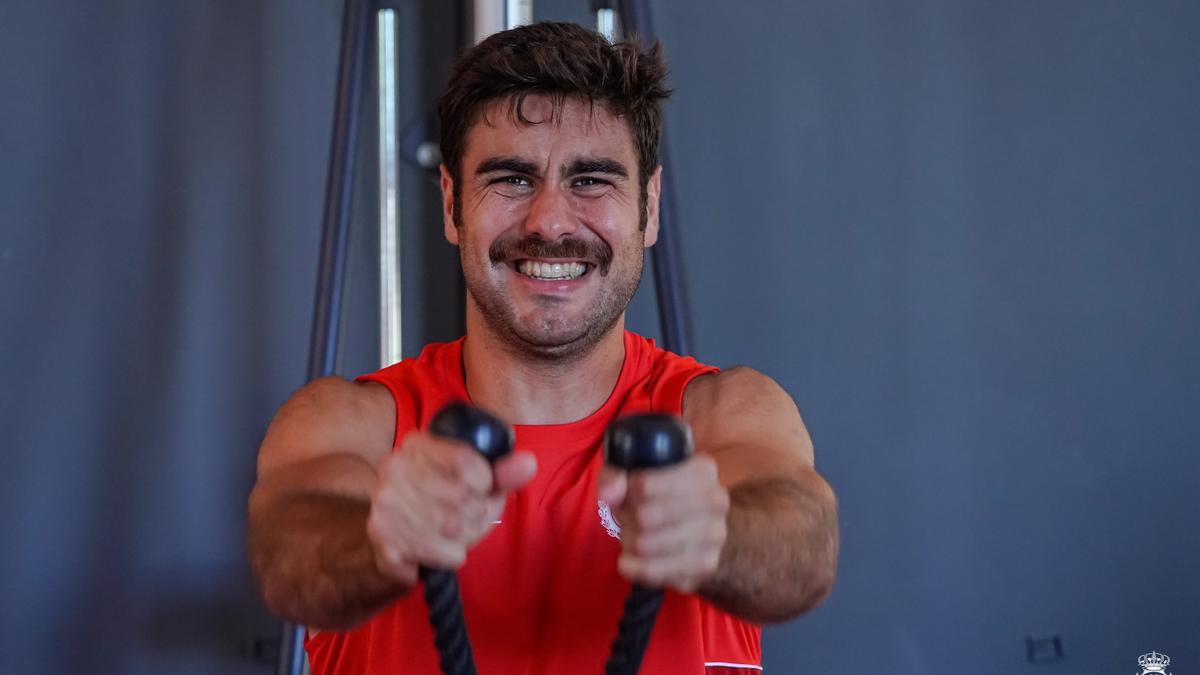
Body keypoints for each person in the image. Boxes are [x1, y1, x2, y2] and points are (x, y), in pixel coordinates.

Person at [247, 21, 838, 675]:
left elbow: (803, 544)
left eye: (591, 180)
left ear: (650, 204)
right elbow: (286, 553)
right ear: (452, 204)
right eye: (512, 179)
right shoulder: (357, 421)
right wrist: (379, 538)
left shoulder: (721, 414)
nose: (550, 221)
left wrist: (717, 530)